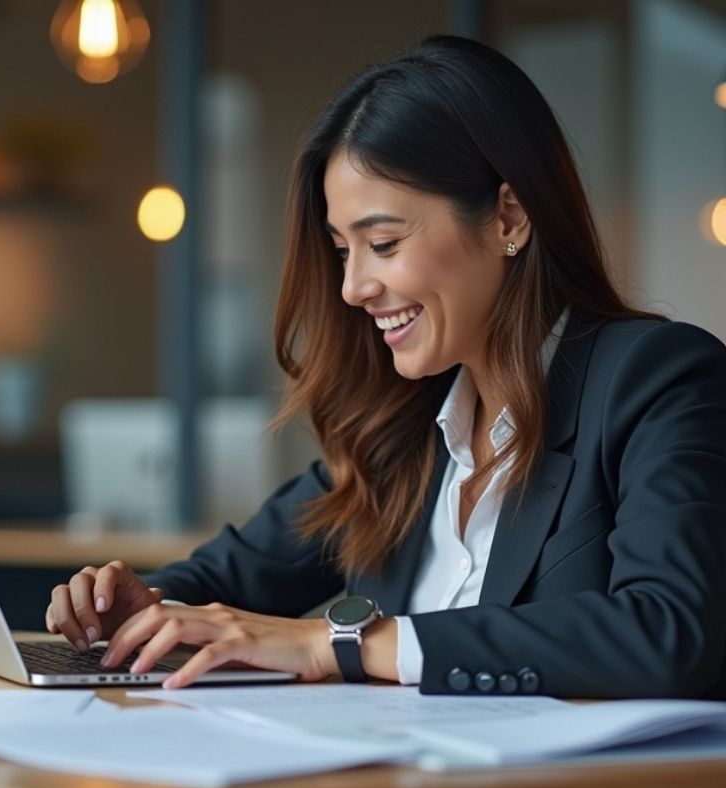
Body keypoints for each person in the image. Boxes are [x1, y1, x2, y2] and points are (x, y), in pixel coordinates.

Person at [44, 35, 726, 698]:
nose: (353, 287)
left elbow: (671, 631)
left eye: (383, 242)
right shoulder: (402, 435)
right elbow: (226, 581)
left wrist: (340, 644)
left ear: (508, 217)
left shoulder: (656, 380)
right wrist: (136, 607)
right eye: (344, 250)